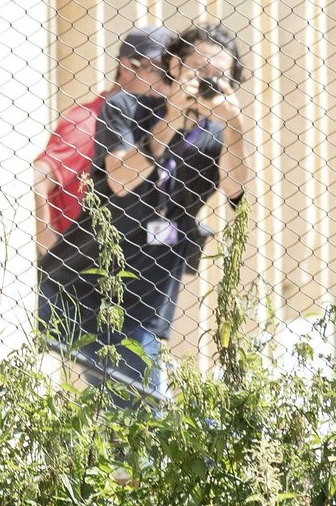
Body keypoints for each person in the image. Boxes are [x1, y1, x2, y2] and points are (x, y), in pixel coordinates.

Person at [39, 22, 253, 400]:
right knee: (142, 409)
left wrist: (234, 125)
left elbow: (235, 189)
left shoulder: (218, 133)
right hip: (80, 282)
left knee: (136, 408)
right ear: (175, 66)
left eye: (219, 75)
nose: (208, 81)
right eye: (199, 70)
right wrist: (171, 119)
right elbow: (121, 180)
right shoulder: (126, 108)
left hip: (146, 297)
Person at [32, 26, 173, 258]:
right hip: (84, 264)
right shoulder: (90, 120)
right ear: (127, 67)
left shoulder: (154, 123)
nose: (167, 83)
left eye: (172, 74)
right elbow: (38, 177)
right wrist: (53, 254)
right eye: (159, 70)